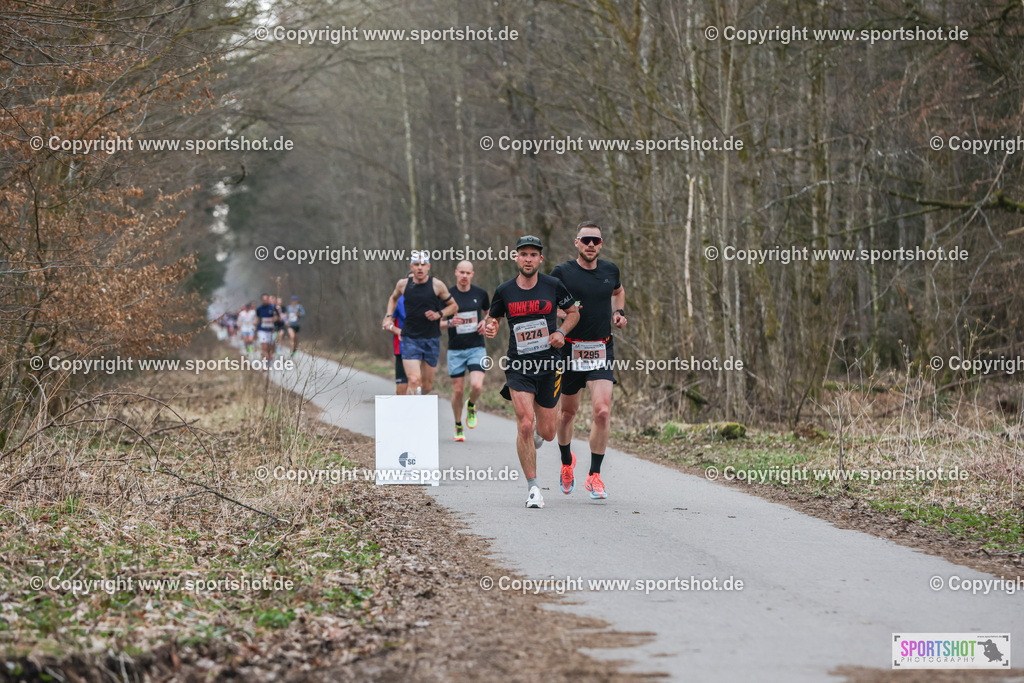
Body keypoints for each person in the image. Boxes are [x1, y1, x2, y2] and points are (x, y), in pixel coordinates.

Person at [484, 235, 579, 509]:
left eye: (533, 254)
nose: (528, 259)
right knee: (525, 423)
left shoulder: (554, 285)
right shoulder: (504, 290)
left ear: (540, 259)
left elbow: (573, 313)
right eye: (523, 254)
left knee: (548, 432)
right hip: (519, 365)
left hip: (549, 365)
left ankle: (540, 434)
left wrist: (561, 331)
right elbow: (494, 319)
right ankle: (533, 488)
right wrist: (491, 328)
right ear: (516, 258)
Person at [551, 221, 627, 500]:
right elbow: (548, 302)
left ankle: (595, 475)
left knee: (602, 411)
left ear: (601, 244)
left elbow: (618, 291)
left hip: (601, 349)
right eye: (586, 240)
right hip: (570, 349)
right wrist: (563, 315)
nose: (591, 245)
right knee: (568, 413)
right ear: (577, 243)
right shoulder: (562, 272)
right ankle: (565, 463)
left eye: (596, 240)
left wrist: (618, 313)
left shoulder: (610, 270)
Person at [381, 251, 458, 395]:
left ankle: (419, 406)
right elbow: (393, 298)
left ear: (428, 266)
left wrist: (439, 314)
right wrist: (388, 316)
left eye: (423, 265)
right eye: (416, 265)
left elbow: (454, 306)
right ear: (411, 266)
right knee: (414, 380)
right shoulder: (403, 284)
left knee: (426, 386)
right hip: (410, 338)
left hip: (431, 338)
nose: (420, 268)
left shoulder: (437, 285)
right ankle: (412, 414)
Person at [440, 260, 490, 441]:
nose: (464, 276)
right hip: (455, 350)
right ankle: (458, 425)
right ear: (456, 273)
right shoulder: (447, 296)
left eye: (467, 273)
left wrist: (486, 322)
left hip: (477, 347)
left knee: (477, 385)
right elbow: (436, 322)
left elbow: (491, 313)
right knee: (458, 391)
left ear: (472, 274)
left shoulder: (480, 293)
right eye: (461, 272)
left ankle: (472, 405)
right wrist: (449, 323)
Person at [389, 294, 408, 395]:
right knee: (402, 387)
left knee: (418, 385)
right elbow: (387, 323)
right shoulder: (398, 300)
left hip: (421, 349)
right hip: (402, 349)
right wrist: (398, 331)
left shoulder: (426, 297)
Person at [255, 294, 280, 364]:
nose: (265, 301)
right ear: (262, 300)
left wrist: (273, 319)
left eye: (266, 299)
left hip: (271, 330)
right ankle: (264, 362)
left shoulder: (273, 308)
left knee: (270, 347)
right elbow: (257, 317)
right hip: (262, 330)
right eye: (264, 299)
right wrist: (255, 324)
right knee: (264, 345)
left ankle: (269, 357)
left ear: (268, 299)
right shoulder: (259, 308)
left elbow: (278, 317)